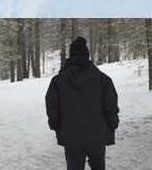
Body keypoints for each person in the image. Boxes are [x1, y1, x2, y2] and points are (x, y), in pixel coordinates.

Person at [45, 37, 119, 170]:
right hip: (97, 136)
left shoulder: (58, 81)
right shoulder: (103, 80)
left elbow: (52, 108)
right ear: (87, 56)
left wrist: (55, 125)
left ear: (71, 56)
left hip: (71, 136)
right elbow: (111, 106)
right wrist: (112, 124)